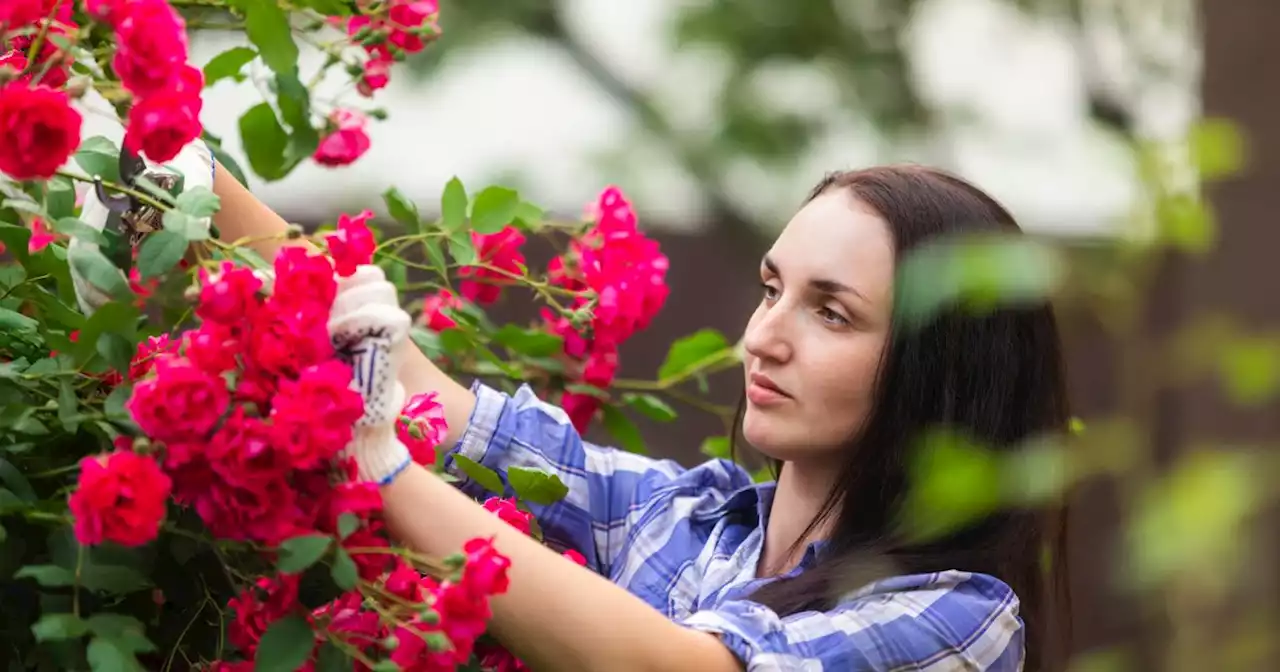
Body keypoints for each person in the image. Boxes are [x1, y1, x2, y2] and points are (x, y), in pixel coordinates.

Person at [80, 143, 1070, 671]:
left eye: (831, 313)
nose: (762, 337)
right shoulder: (691, 523)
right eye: (771, 289)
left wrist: (379, 468)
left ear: (939, 371)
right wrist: (172, 170)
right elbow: (425, 394)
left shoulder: (956, 620)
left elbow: (668, 671)